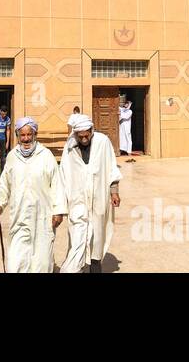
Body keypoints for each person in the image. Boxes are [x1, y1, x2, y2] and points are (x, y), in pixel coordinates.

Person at [0, 118, 65, 273]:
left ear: (35, 134)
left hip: (42, 218)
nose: (25, 139)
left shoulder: (46, 156)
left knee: (41, 262)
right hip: (19, 216)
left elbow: (57, 185)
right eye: (22, 135)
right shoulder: (12, 156)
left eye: (29, 135)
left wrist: (58, 211)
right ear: (17, 136)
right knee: (15, 262)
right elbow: (5, 184)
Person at [59, 113, 121, 273]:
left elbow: (111, 167)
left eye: (87, 135)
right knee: (77, 238)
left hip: (98, 198)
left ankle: (95, 266)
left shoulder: (103, 142)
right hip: (77, 200)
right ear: (75, 134)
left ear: (92, 130)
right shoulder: (70, 146)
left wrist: (114, 192)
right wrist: (61, 204)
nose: (84, 139)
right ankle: (74, 268)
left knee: (97, 237)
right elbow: (64, 174)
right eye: (81, 136)